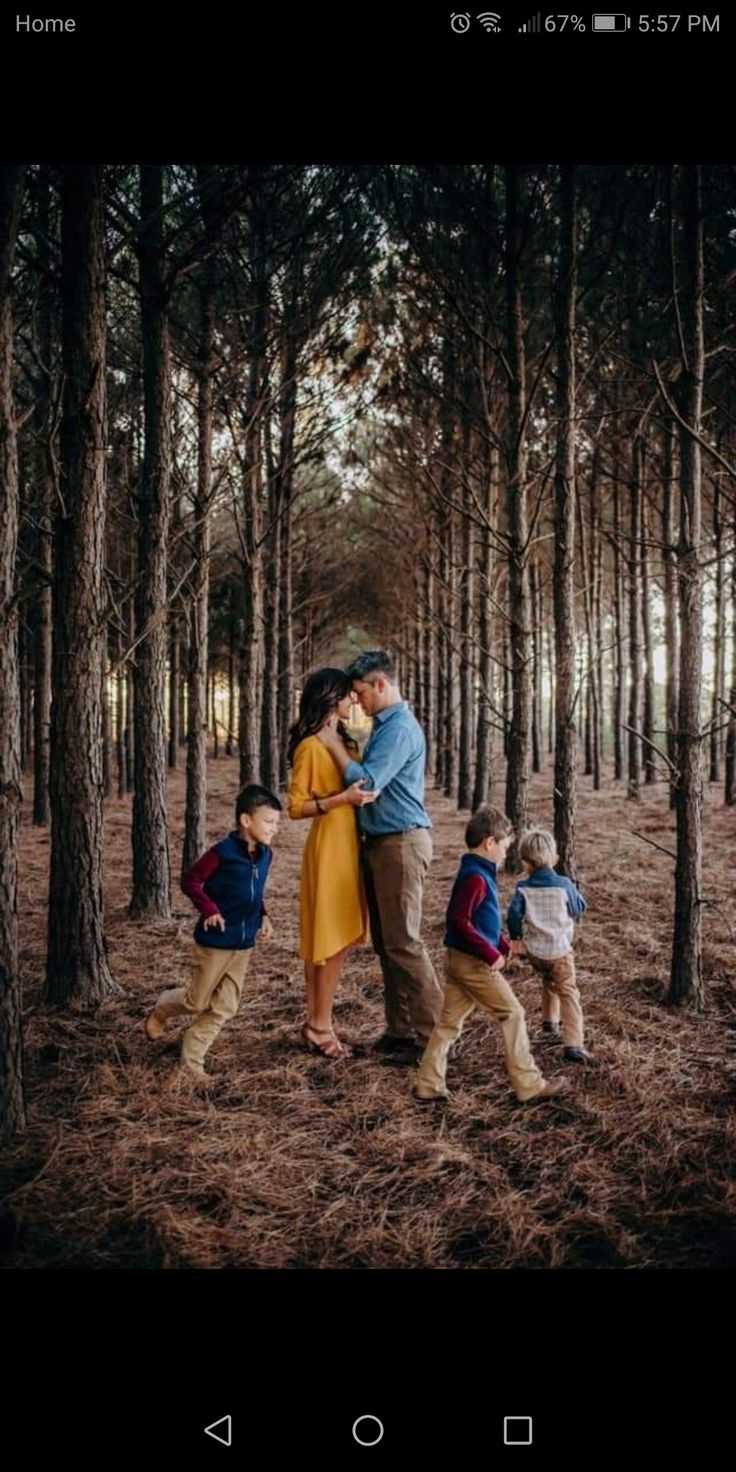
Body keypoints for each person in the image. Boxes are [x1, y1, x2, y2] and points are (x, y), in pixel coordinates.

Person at [317, 649, 443, 1065]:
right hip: (382, 843)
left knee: (405, 942)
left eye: (360, 693)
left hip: (400, 844)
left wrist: (332, 743)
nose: (357, 701)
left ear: (381, 685)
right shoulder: (382, 725)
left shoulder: (399, 729)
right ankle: (401, 1031)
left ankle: (433, 1039)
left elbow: (368, 784)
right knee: (389, 945)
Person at [413, 807, 569, 1105]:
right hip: (472, 963)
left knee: (449, 1024)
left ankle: (428, 1084)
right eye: (505, 846)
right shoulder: (476, 877)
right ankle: (529, 1084)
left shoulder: (477, 872)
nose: (505, 853)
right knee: (513, 1014)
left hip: (459, 959)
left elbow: (482, 919)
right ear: (489, 843)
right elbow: (459, 920)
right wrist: (488, 952)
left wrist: (502, 944)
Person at [144, 784, 280, 1080]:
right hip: (215, 943)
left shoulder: (266, 855)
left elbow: (254, 893)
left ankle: (192, 1063)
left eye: (276, 823)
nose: (274, 829)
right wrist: (210, 909)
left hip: (244, 946)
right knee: (197, 1002)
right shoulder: (222, 853)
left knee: (225, 1007)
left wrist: (264, 917)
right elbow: (190, 880)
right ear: (246, 820)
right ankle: (163, 1008)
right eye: (269, 821)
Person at [287, 668, 378, 1060]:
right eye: (346, 695)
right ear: (329, 698)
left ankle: (316, 1023)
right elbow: (294, 807)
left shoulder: (344, 739)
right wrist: (341, 800)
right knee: (330, 942)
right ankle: (320, 1026)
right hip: (329, 849)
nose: (352, 701)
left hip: (348, 846)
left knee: (330, 942)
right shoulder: (309, 747)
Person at [507, 827, 592, 1064]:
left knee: (547, 980)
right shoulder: (564, 884)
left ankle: (549, 1022)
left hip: (535, 953)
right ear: (554, 858)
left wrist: (516, 939)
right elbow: (578, 908)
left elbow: (514, 915)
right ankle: (574, 1043)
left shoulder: (522, 888)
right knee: (568, 991)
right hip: (560, 951)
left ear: (525, 862)